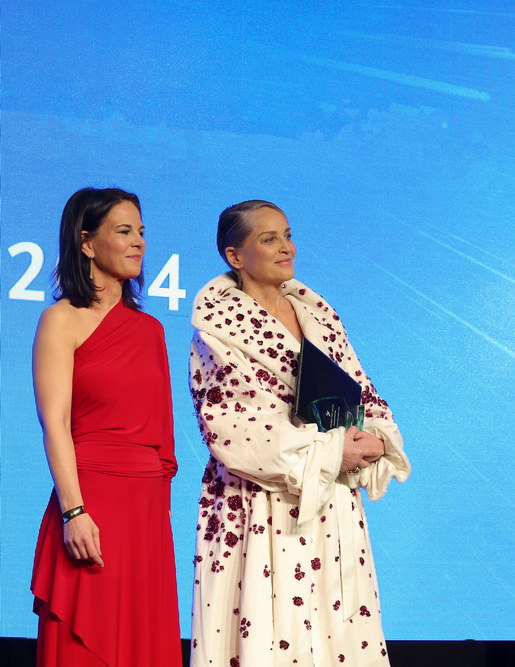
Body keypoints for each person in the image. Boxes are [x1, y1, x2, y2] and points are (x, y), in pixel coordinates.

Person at [189, 200, 411, 667]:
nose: (286, 247)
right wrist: (330, 450)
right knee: (269, 635)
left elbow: (360, 389)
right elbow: (233, 425)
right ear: (235, 255)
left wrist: (375, 436)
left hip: (331, 500)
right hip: (260, 503)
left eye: (287, 235)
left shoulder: (319, 316)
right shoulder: (215, 330)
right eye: (269, 239)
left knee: (339, 633)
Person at [30, 187, 181, 666]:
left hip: (146, 516)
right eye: (124, 231)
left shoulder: (151, 330)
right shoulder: (60, 320)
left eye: (141, 232)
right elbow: (54, 423)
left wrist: (158, 519)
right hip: (90, 504)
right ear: (87, 242)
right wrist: (73, 512)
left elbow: (163, 440)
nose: (139, 242)